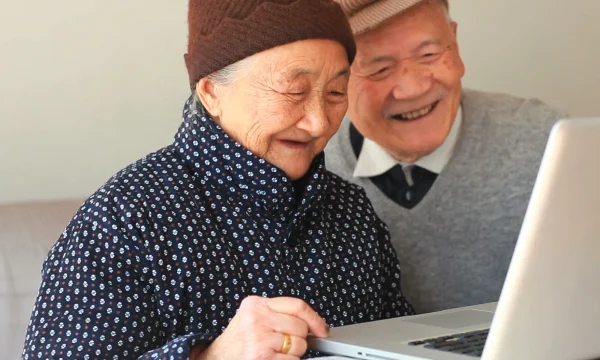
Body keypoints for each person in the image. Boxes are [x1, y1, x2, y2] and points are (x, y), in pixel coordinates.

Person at [21, 1, 416, 359]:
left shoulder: (350, 210)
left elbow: (399, 342)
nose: (318, 123)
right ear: (211, 92)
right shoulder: (125, 218)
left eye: (334, 93)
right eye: (294, 90)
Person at [326, 0, 569, 314]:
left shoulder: (548, 143)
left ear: (455, 44)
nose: (412, 88)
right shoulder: (306, 171)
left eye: (429, 54)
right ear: (335, 79)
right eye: (379, 68)